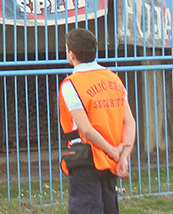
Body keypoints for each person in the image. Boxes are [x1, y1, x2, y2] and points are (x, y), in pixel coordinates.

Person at [59, 28, 136, 214]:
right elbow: (129, 122)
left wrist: (112, 152)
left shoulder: (71, 84)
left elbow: (86, 129)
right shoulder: (114, 79)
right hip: (111, 159)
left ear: (71, 54)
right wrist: (122, 156)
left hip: (85, 158)